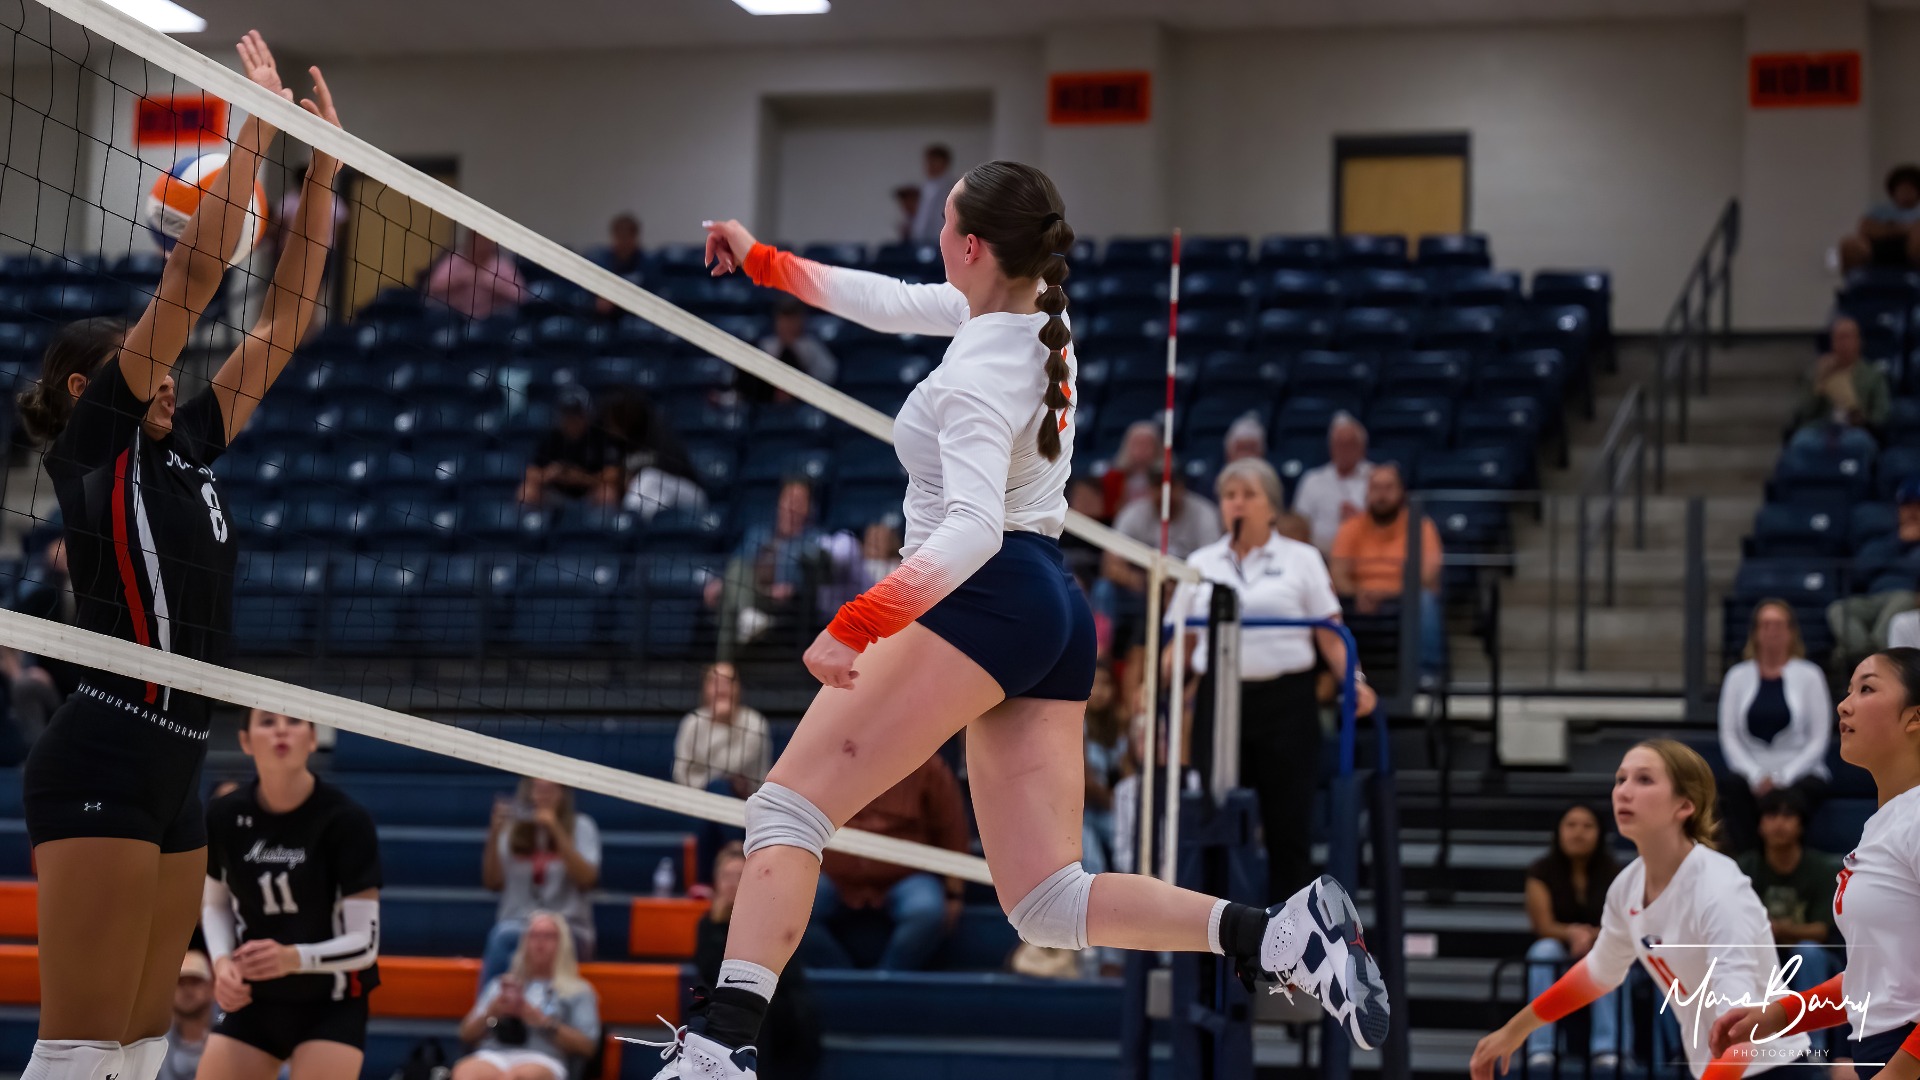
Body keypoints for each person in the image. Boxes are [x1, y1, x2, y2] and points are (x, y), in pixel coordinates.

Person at [658, 163, 1388, 1078]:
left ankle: (719, 1053)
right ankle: (1273, 932)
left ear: (969, 245)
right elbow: (890, 301)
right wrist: (765, 262)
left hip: (986, 590)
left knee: (785, 812)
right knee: (1047, 900)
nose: (935, 242)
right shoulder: (1032, 320)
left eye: (946, 224)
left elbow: (964, 531)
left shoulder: (977, 371)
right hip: (1048, 604)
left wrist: (858, 620)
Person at [11, 37, 342, 1080]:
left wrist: (322, 172)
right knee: (77, 1052)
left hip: (177, 759)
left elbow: (286, 322)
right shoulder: (94, 442)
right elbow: (195, 275)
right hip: (103, 747)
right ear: (84, 388)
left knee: (144, 1051)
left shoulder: (187, 440)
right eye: (141, 362)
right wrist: (249, 127)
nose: (166, 375)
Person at [1469, 740, 1816, 1080]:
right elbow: (1598, 972)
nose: (1624, 791)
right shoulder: (1627, 886)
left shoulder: (1719, 889)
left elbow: (1741, 1032)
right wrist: (1515, 1030)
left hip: (1776, 1067)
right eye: (1621, 779)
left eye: (1644, 780)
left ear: (1685, 805)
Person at [1168, 458, 1375, 899]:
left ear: (1272, 507)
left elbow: (1331, 635)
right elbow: (1178, 645)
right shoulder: (1201, 563)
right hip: (1218, 702)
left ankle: (1291, 954)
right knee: (1213, 822)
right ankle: (1216, 953)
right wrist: (1155, 684)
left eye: (1248, 495)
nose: (1237, 504)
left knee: (1287, 830)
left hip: (1287, 703)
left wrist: (1354, 681)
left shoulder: (1302, 559)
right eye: (1229, 496)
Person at [1709, 648, 1920, 1080]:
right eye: (1847, 691)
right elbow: (1877, 982)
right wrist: (1780, 1014)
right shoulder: (1887, 823)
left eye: (1867, 689)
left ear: (1914, 718)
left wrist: (1900, 1072)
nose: (1844, 704)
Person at [198, 709, 382, 1080]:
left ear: (313, 739)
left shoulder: (346, 821)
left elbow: (366, 943)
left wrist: (293, 958)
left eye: (294, 721)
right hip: (255, 998)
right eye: (267, 721)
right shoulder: (223, 816)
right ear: (246, 741)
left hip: (331, 1001)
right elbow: (214, 903)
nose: (281, 729)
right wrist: (221, 964)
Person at [800, 754, 969, 971]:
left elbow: (952, 829)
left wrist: (954, 892)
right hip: (834, 876)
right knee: (789, 907)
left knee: (926, 911)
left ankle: (887, 977)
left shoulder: (928, 764)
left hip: (906, 876)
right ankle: (845, 979)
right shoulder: (822, 760)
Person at [694, 845, 822, 1080]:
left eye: (738, 876)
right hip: (726, 1004)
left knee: (768, 1009)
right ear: (716, 881)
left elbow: (789, 977)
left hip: (776, 1008)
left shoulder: (773, 918)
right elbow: (711, 971)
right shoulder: (707, 924)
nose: (732, 884)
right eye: (726, 876)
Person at [1736, 790, 1845, 1059]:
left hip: (1812, 959)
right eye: (1771, 815)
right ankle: (1743, 1046)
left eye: (1788, 815)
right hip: (1761, 953)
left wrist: (1776, 929)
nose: (1779, 823)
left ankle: (1814, 1046)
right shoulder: (1745, 866)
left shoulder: (1820, 868)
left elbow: (1821, 931)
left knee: (1807, 951)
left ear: (1801, 824)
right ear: (1760, 824)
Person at [1719, 601, 1833, 853]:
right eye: (1765, 625)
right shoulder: (1737, 676)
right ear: (1755, 632)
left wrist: (1783, 777)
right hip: (1752, 769)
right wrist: (1756, 775)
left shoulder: (1810, 675)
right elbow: (1729, 737)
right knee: (1733, 789)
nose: (1772, 631)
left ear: (1792, 632)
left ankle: (1789, 868)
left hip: (1799, 770)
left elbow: (1818, 739)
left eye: (1779, 625)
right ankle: (1748, 865)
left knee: (1795, 797)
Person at [1521, 805, 1626, 1072]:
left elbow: (1625, 923)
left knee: (1607, 954)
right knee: (1542, 952)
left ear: (1600, 833)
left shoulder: (1616, 872)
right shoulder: (1541, 870)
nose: (1578, 833)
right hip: (1560, 948)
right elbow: (1542, 925)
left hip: (1602, 946)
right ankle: (1541, 1049)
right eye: (1571, 825)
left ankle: (1609, 1048)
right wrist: (1571, 933)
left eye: (1587, 826)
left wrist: (1593, 936)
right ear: (1558, 831)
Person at [1329, 462, 1446, 678]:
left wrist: (1383, 594)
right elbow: (1337, 573)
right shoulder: (1351, 527)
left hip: (1404, 598)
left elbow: (1428, 575)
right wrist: (1358, 592)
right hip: (1358, 599)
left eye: (1388, 488)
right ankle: (1336, 675)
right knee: (1325, 601)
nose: (1381, 495)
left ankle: (1427, 676)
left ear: (1401, 492)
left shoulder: (1421, 526)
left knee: (1427, 600)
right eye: (1376, 488)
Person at [481, 779, 601, 987]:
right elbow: (492, 882)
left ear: (563, 793)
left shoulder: (582, 826)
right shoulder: (512, 828)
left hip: (568, 926)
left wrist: (555, 828)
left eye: (550, 789)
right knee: (506, 936)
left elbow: (587, 879)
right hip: (518, 921)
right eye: (537, 788)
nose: (542, 795)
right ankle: (491, 1012)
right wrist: (494, 834)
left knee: (515, 938)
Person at [454, 912, 601, 1080]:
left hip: (543, 1057)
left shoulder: (579, 990)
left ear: (562, 944)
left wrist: (543, 1022)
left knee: (517, 1077)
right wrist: (492, 1012)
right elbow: (465, 1034)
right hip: (494, 1054)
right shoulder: (501, 984)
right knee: (464, 1072)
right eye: (534, 935)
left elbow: (588, 1047)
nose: (540, 941)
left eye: (549, 936)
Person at [704, 478, 826, 662]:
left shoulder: (813, 539)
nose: (792, 505)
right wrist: (719, 581)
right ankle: (747, 618)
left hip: (777, 600)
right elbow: (735, 565)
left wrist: (793, 587)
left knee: (729, 600)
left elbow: (814, 577)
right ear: (779, 503)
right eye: (788, 499)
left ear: (808, 507)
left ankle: (724, 668)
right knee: (734, 576)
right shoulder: (758, 533)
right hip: (750, 592)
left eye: (799, 500)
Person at [1833, 480, 1920, 666]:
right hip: (1874, 599)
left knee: (1902, 601)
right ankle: (1867, 654)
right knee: (1839, 609)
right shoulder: (1883, 542)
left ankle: (1869, 658)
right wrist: (1899, 543)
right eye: (1907, 506)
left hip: (1908, 597)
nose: (1912, 512)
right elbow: (1860, 570)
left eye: (1918, 506)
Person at [598, 387, 704, 521]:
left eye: (613, 418)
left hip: (689, 495)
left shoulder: (657, 433)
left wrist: (627, 478)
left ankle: (628, 519)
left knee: (648, 477)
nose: (609, 424)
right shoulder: (614, 445)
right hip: (660, 500)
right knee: (655, 502)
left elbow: (675, 468)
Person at [1789, 317, 1889, 458]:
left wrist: (1862, 419)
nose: (1843, 343)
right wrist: (1820, 382)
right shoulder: (1817, 373)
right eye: (1839, 338)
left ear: (1859, 342)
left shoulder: (1873, 376)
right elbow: (1804, 413)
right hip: (1821, 430)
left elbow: (1881, 416)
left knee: (1860, 443)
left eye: (1847, 338)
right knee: (1801, 442)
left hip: (1856, 430)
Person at [674, 662, 772, 797]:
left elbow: (726, 769)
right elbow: (680, 772)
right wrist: (704, 789)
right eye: (714, 682)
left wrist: (722, 724)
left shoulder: (755, 723)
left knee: (720, 787)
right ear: (705, 688)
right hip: (696, 798)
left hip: (747, 799)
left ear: (738, 688)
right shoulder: (692, 721)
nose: (721, 687)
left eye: (728, 682)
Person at [519, 386, 619, 507]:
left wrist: (582, 478)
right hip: (556, 492)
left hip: (588, 492)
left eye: (576, 414)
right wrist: (550, 473)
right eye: (567, 414)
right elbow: (531, 472)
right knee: (526, 490)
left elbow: (613, 475)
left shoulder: (599, 438)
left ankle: (601, 525)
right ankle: (531, 524)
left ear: (587, 415)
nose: (571, 420)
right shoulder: (551, 438)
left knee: (607, 492)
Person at [1293, 413, 1375, 554]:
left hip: (1367, 555)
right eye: (1339, 444)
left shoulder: (1376, 477)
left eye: (1350, 444)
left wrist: (1361, 521)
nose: (1344, 450)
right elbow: (1298, 525)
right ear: (1331, 447)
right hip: (1320, 555)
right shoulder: (1312, 480)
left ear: (1362, 447)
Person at [1112, 464, 1222, 560]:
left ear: (1182, 487)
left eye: (1171, 485)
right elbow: (1112, 560)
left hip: (1191, 577)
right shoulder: (1133, 513)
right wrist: (1144, 582)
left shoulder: (1204, 513)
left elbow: (1212, 560)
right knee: (1105, 584)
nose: (1165, 492)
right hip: (1143, 577)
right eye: (1158, 485)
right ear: (1149, 488)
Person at [744, 299, 837, 404]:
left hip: (803, 404)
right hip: (767, 405)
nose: (788, 324)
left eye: (792, 318)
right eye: (784, 318)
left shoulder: (812, 347)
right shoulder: (765, 346)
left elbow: (828, 376)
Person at [1082, 662, 1127, 876]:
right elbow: (1087, 784)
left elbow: (1128, 776)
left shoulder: (1118, 725)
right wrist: (1119, 804)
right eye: (1094, 684)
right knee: (1093, 863)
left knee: (1130, 846)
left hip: (1106, 809)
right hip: (1079, 811)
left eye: (1106, 684)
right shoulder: (1077, 724)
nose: (1100, 691)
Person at [424, 230, 526, 321]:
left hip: (492, 320)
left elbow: (520, 296)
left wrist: (492, 284)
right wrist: (460, 281)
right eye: (478, 240)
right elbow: (432, 287)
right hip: (452, 316)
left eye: (486, 241)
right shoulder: (455, 259)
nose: (481, 244)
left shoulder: (501, 264)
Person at [1839, 165, 1920, 272]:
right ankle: (1854, 282)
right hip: (1877, 248)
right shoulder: (1879, 210)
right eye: (1902, 189)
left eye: (1910, 189)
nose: (1905, 193)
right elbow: (1865, 228)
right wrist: (1903, 229)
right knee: (1849, 244)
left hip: (1912, 250)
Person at [156, 952, 213, 1080]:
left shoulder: (230, 1032)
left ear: (211, 987)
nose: (188, 989)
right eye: (180, 982)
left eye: (195, 981)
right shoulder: (155, 1039)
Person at [1099, 420, 1160, 522]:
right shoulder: (1113, 478)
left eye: (1148, 444)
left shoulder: (1165, 479)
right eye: (1138, 444)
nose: (1143, 449)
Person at [907, 144, 955, 245]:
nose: (930, 165)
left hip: (939, 241)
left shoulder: (951, 188)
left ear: (944, 163)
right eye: (928, 161)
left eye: (934, 161)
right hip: (920, 240)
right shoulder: (926, 187)